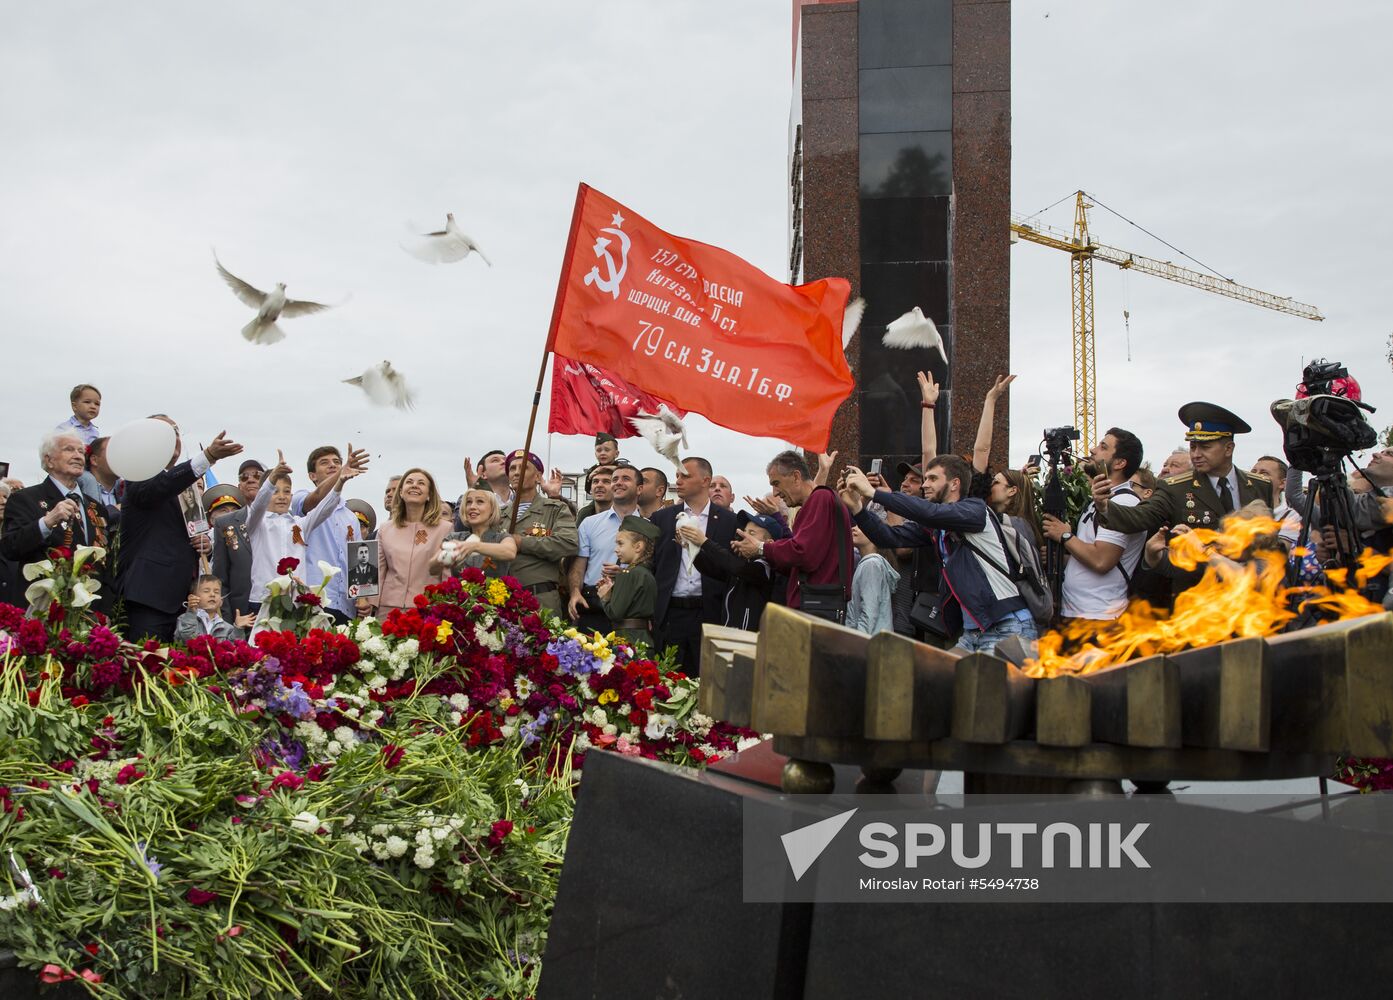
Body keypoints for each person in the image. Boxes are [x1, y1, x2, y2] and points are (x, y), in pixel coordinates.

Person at [841, 456, 1032, 654]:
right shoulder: (937, 527)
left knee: (981, 684)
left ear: (954, 483)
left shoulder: (976, 510)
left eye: (932, 479)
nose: (925, 485)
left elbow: (930, 512)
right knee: (941, 681)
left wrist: (873, 493)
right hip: (973, 632)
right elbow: (889, 537)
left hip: (1006, 625)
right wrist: (857, 508)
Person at [1094, 403, 1272, 601]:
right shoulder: (1175, 488)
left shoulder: (1259, 486)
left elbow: (1267, 544)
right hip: (1197, 604)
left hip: (1251, 600)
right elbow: (1140, 516)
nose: (1196, 454)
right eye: (1193, 447)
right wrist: (1105, 506)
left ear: (1228, 448)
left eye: (1205, 447)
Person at [117, 418, 243, 641]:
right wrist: (208, 457)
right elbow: (160, 487)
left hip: (185, 601)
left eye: (176, 432)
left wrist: (205, 545)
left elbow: (192, 534)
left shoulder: (187, 487)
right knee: (147, 666)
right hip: (150, 597)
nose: (173, 437)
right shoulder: (139, 473)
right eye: (164, 432)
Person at [1042, 427, 1148, 624]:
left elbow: (1102, 560)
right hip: (1081, 614)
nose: (1092, 449)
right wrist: (1061, 559)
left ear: (1120, 463)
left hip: (1098, 618)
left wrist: (1065, 536)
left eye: (1103, 447)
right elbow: (1089, 554)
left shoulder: (1122, 503)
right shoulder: (1100, 500)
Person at [1, 432, 117, 607]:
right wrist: (46, 522)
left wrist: (106, 609)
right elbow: (10, 547)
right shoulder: (25, 498)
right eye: (69, 449)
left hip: (88, 612)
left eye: (80, 451)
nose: (78, 455)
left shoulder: (96, 507)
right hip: (44, 608)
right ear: (49, 460)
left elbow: (104, 562)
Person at [734, 450, 852, 618]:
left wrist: (761, 548)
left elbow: (804, 554)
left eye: (776, 483)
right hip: (818, 605)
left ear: (796, 477)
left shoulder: (821, 498)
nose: (775, 493)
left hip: (816, 609)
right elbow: (801, 564)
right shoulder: (818, 501)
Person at [652, 456, 737, 674]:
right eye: (677, 476)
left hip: (711, 614)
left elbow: (731, 568)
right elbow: (654, 565)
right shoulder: (661, 519)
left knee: (708, 683)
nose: (678, 481)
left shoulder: (729, 521)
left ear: (705, 481)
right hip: (671, 615)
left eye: (685, 476)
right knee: (669, 683)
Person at [246, 450, 355, 612]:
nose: (282, 496)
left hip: (296, 602)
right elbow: (259, 504)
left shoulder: (300, 524)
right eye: (275, 491)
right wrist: (272, 477)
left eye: (287, 491)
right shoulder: (256, 523)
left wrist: (340, 482)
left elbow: (324, 510)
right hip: (264, 600)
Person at [293, 444, 371, 624]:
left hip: (346, 605)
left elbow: (361, 560)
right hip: (314, 602)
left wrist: (364, 598)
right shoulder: (300, 498)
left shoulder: (351, 516)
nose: (333, 465)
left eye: (337, 462)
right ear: (312, 475)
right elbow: (317, 498)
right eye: (324, 463)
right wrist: (340, 476)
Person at [501, 450, 578, 615]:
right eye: (512, 469)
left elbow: (568, 544)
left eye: (523, 468)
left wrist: (521, 542)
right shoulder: (497, 515)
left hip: (540, 601)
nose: (516, 473)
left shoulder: (555, 509)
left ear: (538, 477)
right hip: (502, 601)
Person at [369, 467, 454, 617]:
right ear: (401, 492)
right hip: (388, 609)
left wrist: (446, 607)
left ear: (429, 495)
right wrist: (369, 602)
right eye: (409, 482)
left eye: (421, 483)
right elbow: (378, 571)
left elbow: (447, 573)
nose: (414, 485)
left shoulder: (445, 529)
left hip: (427, 608)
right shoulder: (385, 529)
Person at [569, 462, 642, 634]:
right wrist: (574, 593)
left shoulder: (650, 527)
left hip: (631, 608)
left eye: (625, 478)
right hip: (593, 605)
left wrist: (625, 575)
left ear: (639, 489)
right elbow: (579, 566)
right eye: (615, 479)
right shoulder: (589, 523)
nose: (618, 482)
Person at [687, 510, 786, 631]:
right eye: (745, 531)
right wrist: (691, 547)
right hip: (731, 635)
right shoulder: (744, 562)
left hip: (750, 642)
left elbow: (736, 567)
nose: (744, 535)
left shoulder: (765, 567)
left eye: (752, 533)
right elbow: (713, 569)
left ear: (769, 543)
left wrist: (704, 542)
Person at [596, 514, 659, 650]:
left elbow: (615, 613)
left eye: (620, 543)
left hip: (627, 642)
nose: (616, 549)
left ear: (638, 547)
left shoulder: (628, 574)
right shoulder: (646, 573)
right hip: (644, 640)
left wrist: (605, 596)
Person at [434, 487, 518, 580]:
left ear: (492, 509)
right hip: (460, 594)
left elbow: (510, 552)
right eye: (469, 502)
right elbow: (432, 568)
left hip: (494, 593)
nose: (472, 507)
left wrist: (474, 546)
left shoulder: (501, 537)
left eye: (480, 502)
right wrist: (444, 557)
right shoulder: (455, 538)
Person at [208, 484, 252, 621]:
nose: (229, 514)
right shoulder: (208, 538)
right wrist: (226, 618)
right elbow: (220, 578)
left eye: (234, 510)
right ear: (211, 518)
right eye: (223, 510)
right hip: (237, 611)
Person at [847, 525, 900, 635]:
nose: (853, 528)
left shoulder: (871, 565)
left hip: (867, 643)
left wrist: (856, 642)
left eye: (861, 526)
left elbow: (869, 612)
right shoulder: (870, 563)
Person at [174, 575, 254, 642]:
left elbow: (234, 649)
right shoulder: (184, 619)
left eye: (216, 592)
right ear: (192, 598)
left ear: (221, 601)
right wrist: (191, 612)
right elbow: (187, 638)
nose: (212, 594)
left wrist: (238, 628)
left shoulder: (227, 627)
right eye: (206, 591)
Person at [1250, 455, 1300, 549]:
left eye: (1264, 473)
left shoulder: (1292, 516)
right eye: (1253, 472)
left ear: (1282, 483)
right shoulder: (1240, 506)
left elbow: (1281, 550)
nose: (1255, 476)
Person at [987, 468, 1042, 550]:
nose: (990, 485)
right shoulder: (1021, 525)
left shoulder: (1014, 526)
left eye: (996, 482)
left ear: (1012, 491)